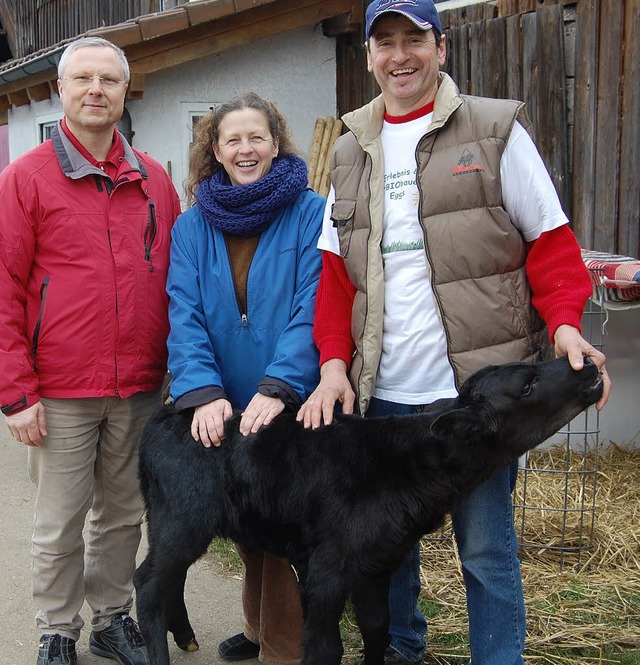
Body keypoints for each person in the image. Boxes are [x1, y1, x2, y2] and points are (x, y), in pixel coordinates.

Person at [297, 1, 612, 664]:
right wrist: (332, 365)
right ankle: (403, 649)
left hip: (477, 399)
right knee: (387, 544)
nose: (399, 55)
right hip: (381, 390)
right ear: (370, 57)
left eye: (414, 39)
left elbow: (551, 245)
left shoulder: (495, 129)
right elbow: (334, 279)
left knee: (487, 551)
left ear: (440, 48)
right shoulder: (350, 148)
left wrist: (565, 326)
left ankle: (499, 658)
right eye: (385, 42)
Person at [0, 36, 181, 665]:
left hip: (138, 383)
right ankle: (58, 630)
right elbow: (2, 286)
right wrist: (16, 393)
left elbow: (174, 280)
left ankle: (111, 619)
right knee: (59, 521)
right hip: (61, 386)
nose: (95, 90)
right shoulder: (25, 179)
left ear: (124, 90)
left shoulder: (155, 178)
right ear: (61, 89)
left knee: (123, 513)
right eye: (83, 80)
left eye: (108, 79)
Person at [166, 92, 325, 665]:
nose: (246, 148)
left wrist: (280, 385)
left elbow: (313, 304)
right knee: (245, 518)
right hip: (224, 398)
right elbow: (182, 312)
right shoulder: (191, 226)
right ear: (215, 150)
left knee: (283, 522)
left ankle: (283, 650)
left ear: (276, 142)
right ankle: (257, 630)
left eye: (256, 136)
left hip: (287, 396)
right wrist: (202, 392)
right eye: (232, 139)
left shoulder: (309, 212)